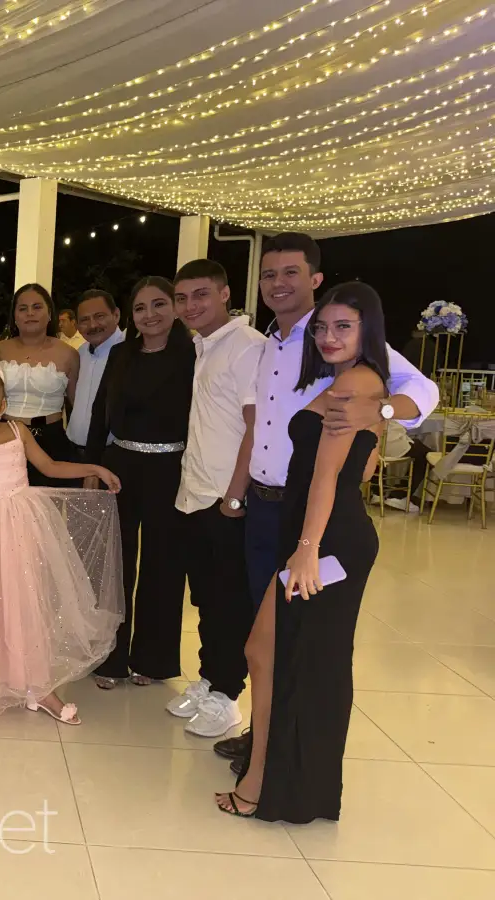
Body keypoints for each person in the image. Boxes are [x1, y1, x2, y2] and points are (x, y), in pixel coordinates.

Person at [214, 233, 439, 770]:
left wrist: (381, 412)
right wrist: (237, 495)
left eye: (290, 273)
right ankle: (265, 737)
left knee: (295, 638)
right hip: (263, 505)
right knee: (265, 631)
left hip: (307, 513)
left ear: (314, 278)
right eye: (269, 274)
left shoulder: (339, 335)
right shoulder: (268, 344)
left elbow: (422, 390)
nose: (278, 284)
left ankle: (279, 753)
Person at [216, 283, 387, 822]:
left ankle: (268, 784)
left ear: (367, 330)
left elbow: (326, 477)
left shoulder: (355, 384)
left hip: (325, 542)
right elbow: (366, 464)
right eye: (323, 328)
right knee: (274, 654)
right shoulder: (356, 383)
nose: (328, 337)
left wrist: (307, 549)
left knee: (296, 661)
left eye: (343, 327)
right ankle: (273, 778)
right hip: (319, 536)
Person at [0, 364, 124, 724]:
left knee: (23, 603)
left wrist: (93, 468)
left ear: (3, 404)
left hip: (17, 529)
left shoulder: (18, 431)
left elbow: (50, 467)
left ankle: (39, 688)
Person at [168, 260, 265, 738]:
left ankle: (227, 696)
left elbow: (256, 425)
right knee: (206, 598)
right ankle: (210, 678)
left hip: (226, 497)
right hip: (196, 493)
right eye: (182, 298)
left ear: (225, 294)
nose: (191, 306)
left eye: (201, 294)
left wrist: (235, 496)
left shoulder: (246, 345)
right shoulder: (203, 346)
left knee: (229, 601)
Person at [86, 277, 194, 689]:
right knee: (114, 564)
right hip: (120, 467)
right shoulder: (121, 354)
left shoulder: (192, 354)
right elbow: (100, 413)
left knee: (163, 566)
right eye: (140, 308)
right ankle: (110, 658)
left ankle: (152, 659)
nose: (150, 315)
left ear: (175, 307)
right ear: (130, 315)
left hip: (172, 468)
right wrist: (92, 469)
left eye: (159, 304)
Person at [0, 284, 80, 486]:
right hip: (4, 437)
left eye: (37, 307)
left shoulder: (69, 354)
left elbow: (76, 405)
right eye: (23, 308)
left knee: (48, 503)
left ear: (50, 313)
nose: (30, 313)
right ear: (15, 316)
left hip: (51, 440)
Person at [65, 289, 126, 460]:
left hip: (113, 455)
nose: (92, 325)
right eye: (84, 320)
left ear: (116, 315)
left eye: (99, 316)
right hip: (74, 452)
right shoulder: (80, 353)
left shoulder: (131, 351)